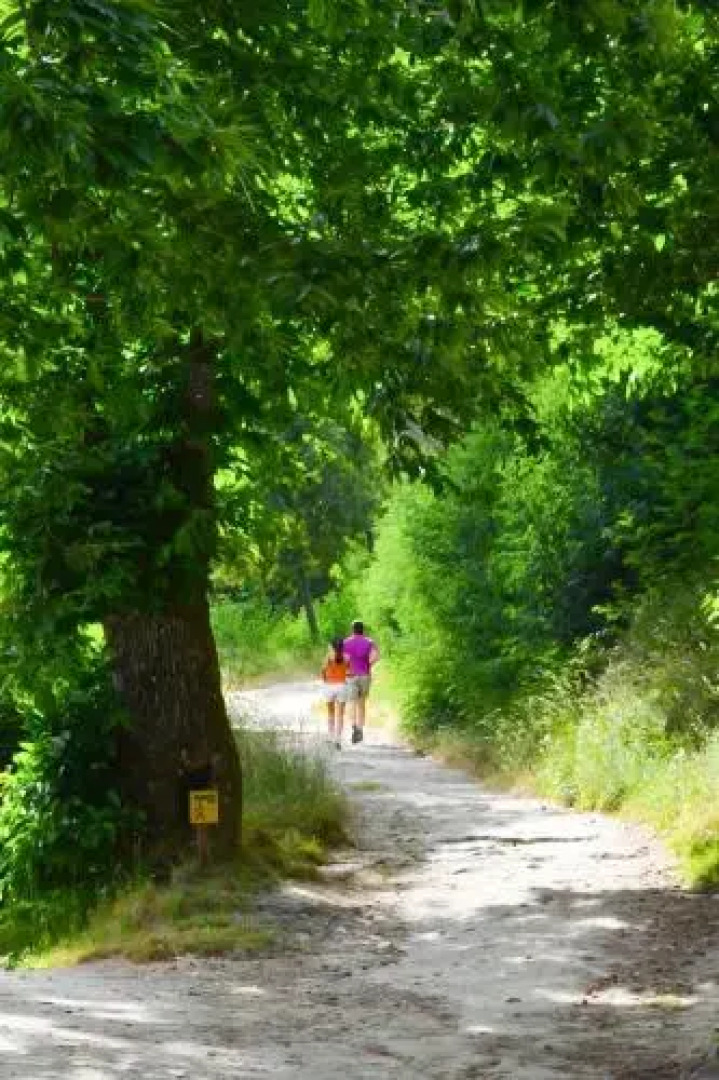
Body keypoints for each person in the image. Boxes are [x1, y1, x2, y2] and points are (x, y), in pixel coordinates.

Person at [343, 620, 380, 744]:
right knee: (361, 703)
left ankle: (353, 726)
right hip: (365, 675)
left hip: (350, 676)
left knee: (351, 702)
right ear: (363, 629)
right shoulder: (370, 642)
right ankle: (360, 729)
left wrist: (348, 667)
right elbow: (376, 657)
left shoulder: (345, 643)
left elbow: (343, 659)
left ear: (352, 629)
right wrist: (368, 664)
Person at [321, 638, 350, 749]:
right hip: (342, 686)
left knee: (330, 714)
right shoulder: (347, 657)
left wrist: (325, 680)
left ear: (332, 646)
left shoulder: (328, 657)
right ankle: (338, 739)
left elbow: (323, 671)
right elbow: (349, 672)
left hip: (329, 686)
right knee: (340, 715)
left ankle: (330, 736)